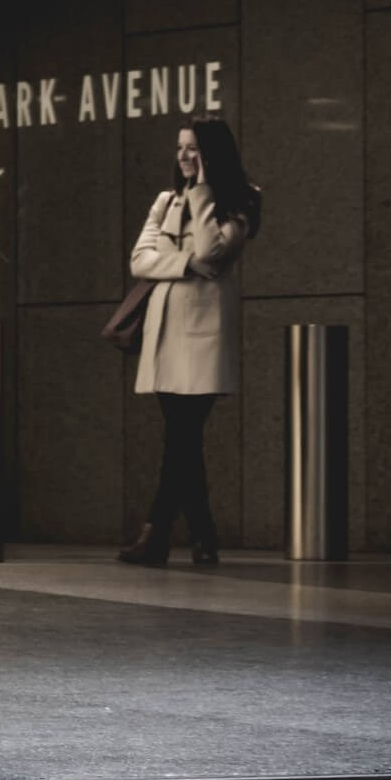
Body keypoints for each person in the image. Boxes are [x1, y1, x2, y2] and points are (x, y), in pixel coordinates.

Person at [118, 113, 259, 567]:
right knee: (184, 440)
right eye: (180, 147)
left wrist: (201, 194)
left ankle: (156, 534)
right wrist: (184, 265)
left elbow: (214, 252)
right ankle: (203, 536)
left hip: (202, 336)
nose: (183, 156)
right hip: (165, 333)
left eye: (193, 148)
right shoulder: (164, 201)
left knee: (181, 437)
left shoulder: (240, 201)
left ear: (212, 154)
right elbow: (140, 260)